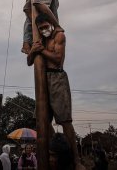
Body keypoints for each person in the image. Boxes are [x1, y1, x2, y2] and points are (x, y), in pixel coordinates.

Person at [27, 13, 84, 170]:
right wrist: (33, 50)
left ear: (51, 23)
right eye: (41, 28)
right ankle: (56, 147)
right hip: (42, 79)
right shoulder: (40, 39)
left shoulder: (59, 36)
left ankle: (76, 160)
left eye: (46, 26)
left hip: (57, 78)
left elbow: (58, 58)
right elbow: (29, 61)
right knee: (40, 120)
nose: (44, 30)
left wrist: (41, 51)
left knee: (65, 121)